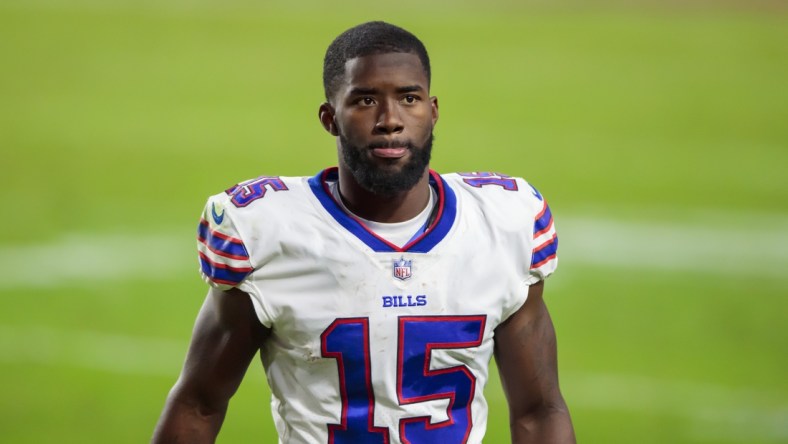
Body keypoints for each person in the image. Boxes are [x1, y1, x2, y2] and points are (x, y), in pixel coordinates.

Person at [152, 21, 575, 444]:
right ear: (329, 118)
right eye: (366, 100)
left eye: (409, 98)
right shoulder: (268, 232)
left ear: (433, 111)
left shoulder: (503, 222)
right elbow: (199, 404)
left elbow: (539, 411)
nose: (390, 121)